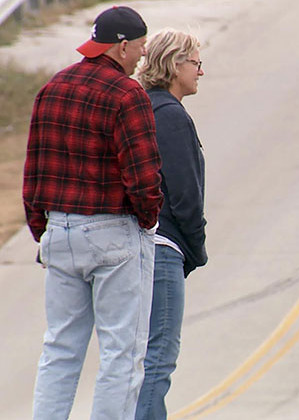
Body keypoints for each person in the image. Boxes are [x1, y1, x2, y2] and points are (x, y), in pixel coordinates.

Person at [23, 6, 162, 419]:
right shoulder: (126, 94)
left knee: (60, 349)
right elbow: (143, 174)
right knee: (122, 352)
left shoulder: (53, 88)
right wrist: (146, 220)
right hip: (112, 232)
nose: (140, 57)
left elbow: (34, 169)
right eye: (138, 47)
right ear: (121, 47)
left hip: (59, 230)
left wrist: (42, 229)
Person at [135, 28, 207, 420]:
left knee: (132, 360)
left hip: (135, 245)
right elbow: (184, 196)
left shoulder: (140, 108)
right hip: (163, 248)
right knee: (158, 359)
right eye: (195, 63)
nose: (200, 72)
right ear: (175, 64)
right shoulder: (172, 117)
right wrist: (196, 249)